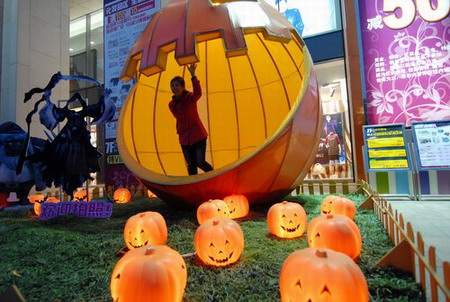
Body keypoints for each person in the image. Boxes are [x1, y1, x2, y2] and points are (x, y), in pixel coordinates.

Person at [169, 63, 213, 175]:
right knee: (191, 166)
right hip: (184, 139)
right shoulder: (172, 104)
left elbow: (198, 92)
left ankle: (216, 177)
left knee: (200, 162)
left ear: (183, 87)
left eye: (177, 85)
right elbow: (180, 117)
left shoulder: (190, 98)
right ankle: (194, 189)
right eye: (172, 86)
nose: (174, 88)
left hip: (198, 136)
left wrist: (193, 75)